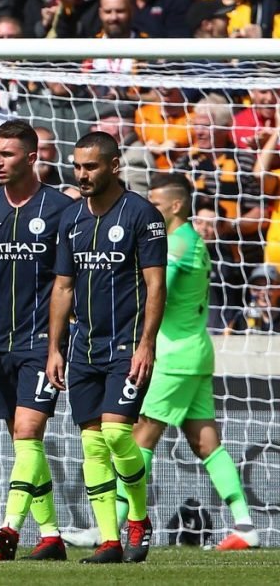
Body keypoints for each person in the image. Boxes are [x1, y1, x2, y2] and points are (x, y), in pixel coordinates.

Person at [111, 174, 259, 551]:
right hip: (194, 350)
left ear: (176, 206)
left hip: (175, 355)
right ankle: (244, 525)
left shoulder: (178, 243)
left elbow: (159, 288)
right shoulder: (191, 241)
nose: (150, 209)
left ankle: (110, 526)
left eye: (156, 204)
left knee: (141, 434)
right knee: (206, 442)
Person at [0, 120, 75, 561]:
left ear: (31, 157)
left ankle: (9, 528)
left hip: (45, 340)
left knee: (27, 430)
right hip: (0, 338)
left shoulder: (61, 208)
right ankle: (52, 536)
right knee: (25, 444)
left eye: (6, 154)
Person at [46, 131, 167, 564]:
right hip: (82, 348)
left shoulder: (142, 215)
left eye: (91, 166)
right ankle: (109, 540)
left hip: (126, 345)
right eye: (77, 166)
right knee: (92, 445)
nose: (82, 174)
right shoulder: (71, 219)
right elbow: (62, 287)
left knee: (117, 433)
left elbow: (156, 285)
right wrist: (54, 349)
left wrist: (146, 344)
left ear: (114, 166)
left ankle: (138, 518)